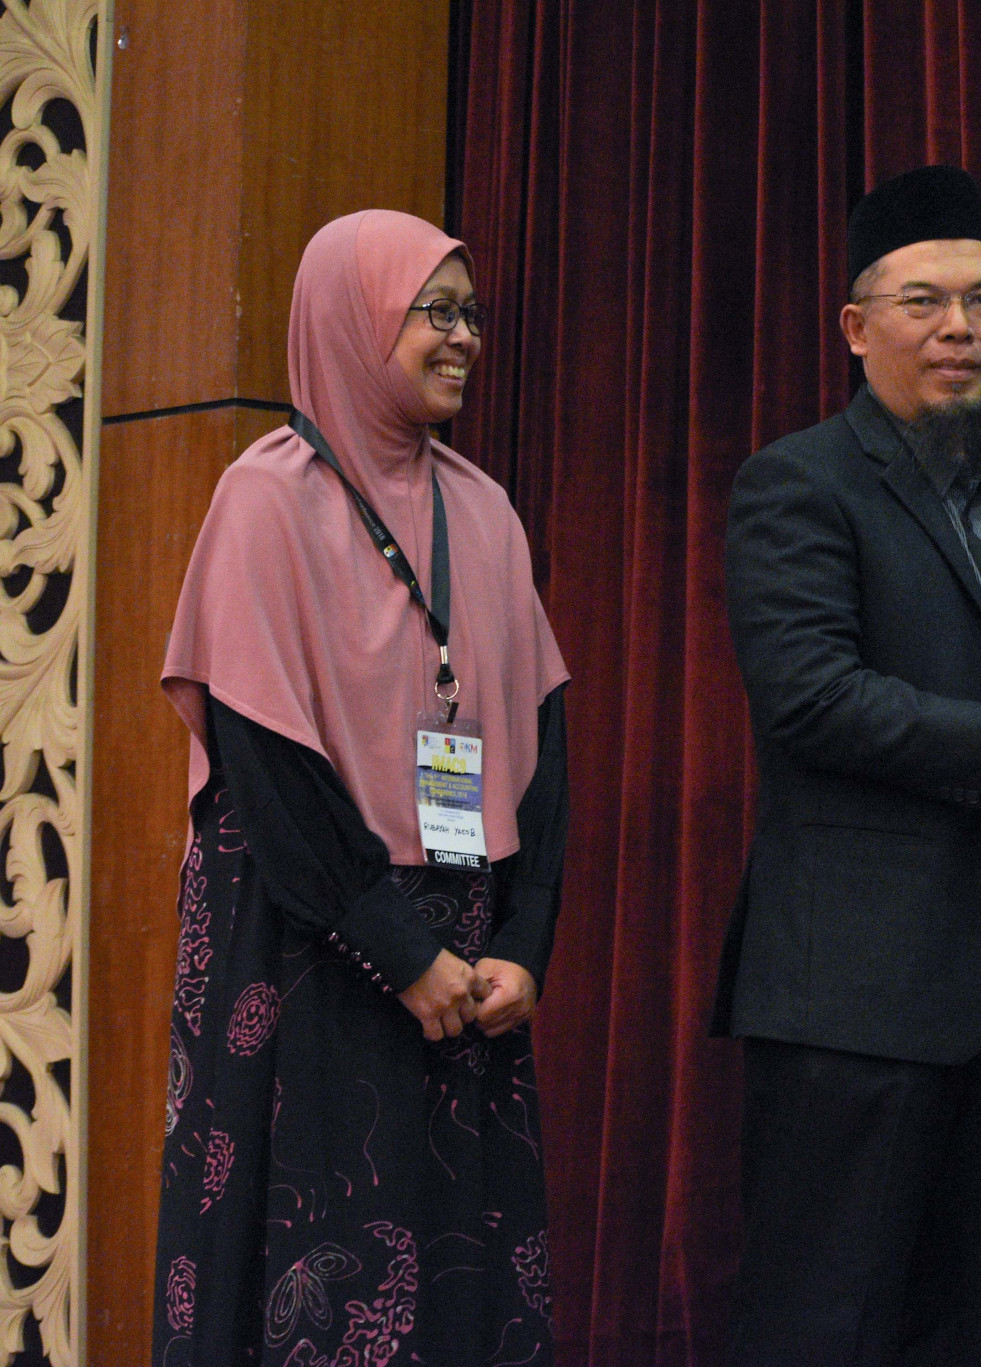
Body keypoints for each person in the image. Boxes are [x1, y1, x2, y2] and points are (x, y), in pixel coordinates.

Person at [714, 164, 981, 1366]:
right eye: (924, 302)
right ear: (856, 328)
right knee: (827, 1319)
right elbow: (812, 699)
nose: (960, 328)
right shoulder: (797, 481)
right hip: (858, 985)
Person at [153, 210, 570, 1367]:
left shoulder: (481, 509)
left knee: (457, 1258)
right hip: (309, 943)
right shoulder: (265, 499)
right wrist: (400, 950)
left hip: (465, 955)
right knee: (313, 1257)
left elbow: (543, 737)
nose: (463, 338)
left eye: (470, 313)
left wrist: (523, 943)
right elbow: (265, 770)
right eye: (433, 312)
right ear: (350, 322)